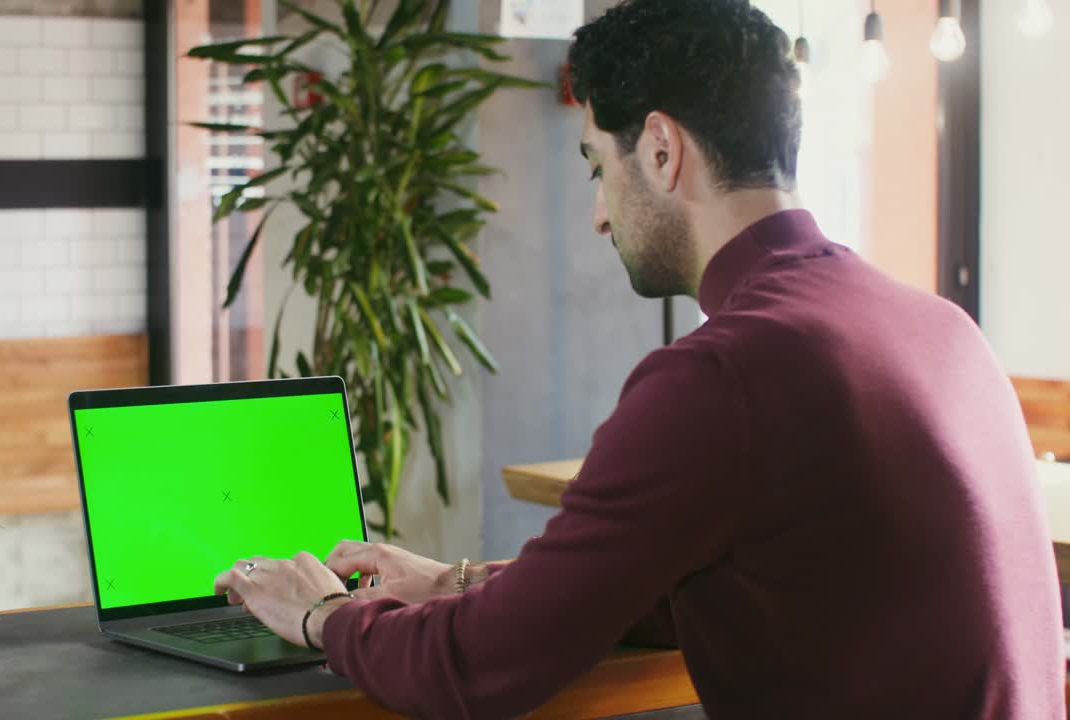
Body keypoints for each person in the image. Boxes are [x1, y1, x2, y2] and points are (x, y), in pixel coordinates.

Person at [214, 0, 1066, 717]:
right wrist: (458, 580)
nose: (597, 214)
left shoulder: (725, 373)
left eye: (597, 166)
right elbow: (678, 578)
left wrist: (320, 614)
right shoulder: (938, 325)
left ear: (660, 150)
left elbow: (480, 668)